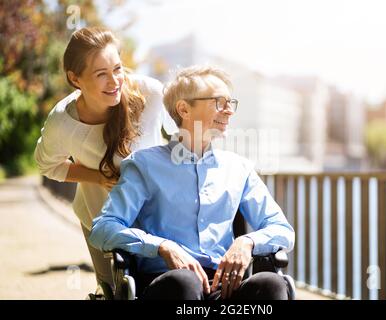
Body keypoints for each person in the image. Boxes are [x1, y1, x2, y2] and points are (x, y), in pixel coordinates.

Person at [89, 65, 295, 300]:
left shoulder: (239, 169)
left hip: (223, 288)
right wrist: (162, 246)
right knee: (184, 282)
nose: (229, 111)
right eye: (219, 102)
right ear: (184, 109)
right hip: (169, 285)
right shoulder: (144, 165)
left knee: (271, 284)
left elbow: (282, 230)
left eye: (230, 103)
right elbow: (103, 228)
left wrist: (247, 242)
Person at [34, 27, 178, 292]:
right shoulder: (63, 122)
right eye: (101, 74)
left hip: (157, 221)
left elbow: (183, 135)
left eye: (117, 69)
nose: (114, 82)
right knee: (115, 290)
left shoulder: (153, 94)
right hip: (102, 223)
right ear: (75, 78)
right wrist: (98, 177)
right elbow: (47, 165)